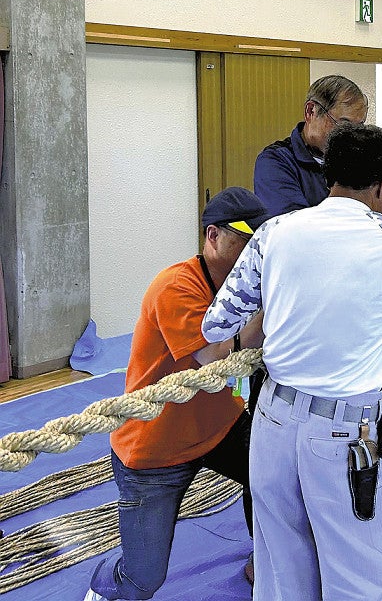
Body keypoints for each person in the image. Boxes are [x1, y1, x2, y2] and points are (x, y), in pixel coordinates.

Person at [202, 125, 382, 600]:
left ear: (330, 174)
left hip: (270, 423)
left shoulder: (274, 232)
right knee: (360, 575)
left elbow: (215, 325)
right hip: (346, 432)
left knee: (280, 571)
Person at [84, 187, 269, 601]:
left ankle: (267, 556)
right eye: (246, 240)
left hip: (218, 424)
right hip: (155, 448)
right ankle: (103, 585)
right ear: (213, 236)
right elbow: (213, 357)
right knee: (142, 579)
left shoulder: (247, 284)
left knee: (273, 477)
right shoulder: (177, 286)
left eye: (261, 243)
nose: (254, 252)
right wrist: (272, 306)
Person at [252, 75, 382, 249]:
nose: (350, 135)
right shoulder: (275, 162)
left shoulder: (356, 153)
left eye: (358, 127)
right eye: (344, 125)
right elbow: (295, 227)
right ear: (311, 111)